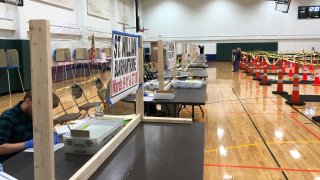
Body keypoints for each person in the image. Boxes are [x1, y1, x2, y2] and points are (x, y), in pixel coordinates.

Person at [0, 91, 59, 162]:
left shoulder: (35, 113)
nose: (42, 112)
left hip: (30, 159)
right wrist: (27, 144)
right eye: (41, 108)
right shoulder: (8, 118)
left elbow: (50, 126)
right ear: (28, 101)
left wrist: (53, 133)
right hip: (11, 163)